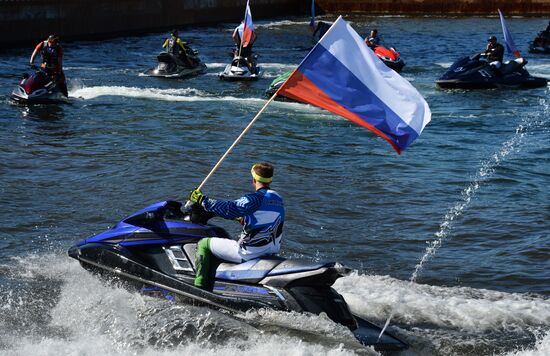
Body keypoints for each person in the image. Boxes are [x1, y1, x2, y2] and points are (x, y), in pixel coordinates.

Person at [189, 163, 285, 290]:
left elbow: (230, 208)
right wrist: (240, 219)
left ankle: (199, 287)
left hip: (249, 254)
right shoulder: (278, 199)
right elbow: (262, 218)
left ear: (254, 180)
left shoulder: (255, 199)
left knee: (203, 244)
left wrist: (202, 200)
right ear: (270, 180)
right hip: (269, 252)